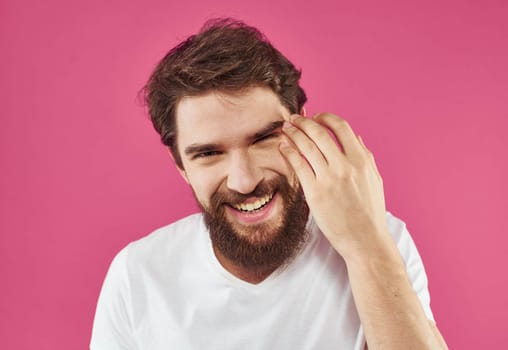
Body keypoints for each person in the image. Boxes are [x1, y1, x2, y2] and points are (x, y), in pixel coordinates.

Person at [91, 18, 448, 350]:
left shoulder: (380, 238)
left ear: (305, 129)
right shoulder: (138, 275)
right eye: (209, 154)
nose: (245, 181)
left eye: (263, 139)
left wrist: (366, 247)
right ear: (181, 166)